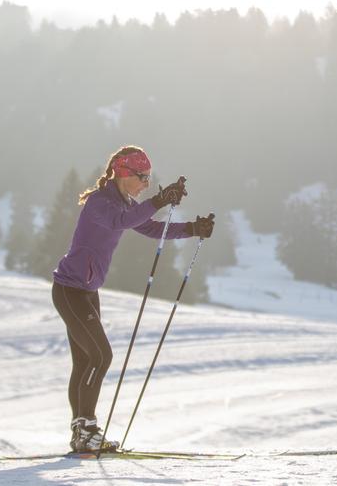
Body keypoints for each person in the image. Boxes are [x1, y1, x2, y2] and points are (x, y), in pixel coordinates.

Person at [51, 145, 215, 452]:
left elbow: (151, 228)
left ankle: (81, 433)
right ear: (123, 172)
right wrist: (158, 200)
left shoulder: (124, 202)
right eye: (142, 177)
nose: (146, 184)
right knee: (101, 356)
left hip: (86, 290)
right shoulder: (101, 203)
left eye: (149, 179)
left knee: (86, 360)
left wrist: (193, 228)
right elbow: (119, 222)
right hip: (69, 290)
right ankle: (85, 429)